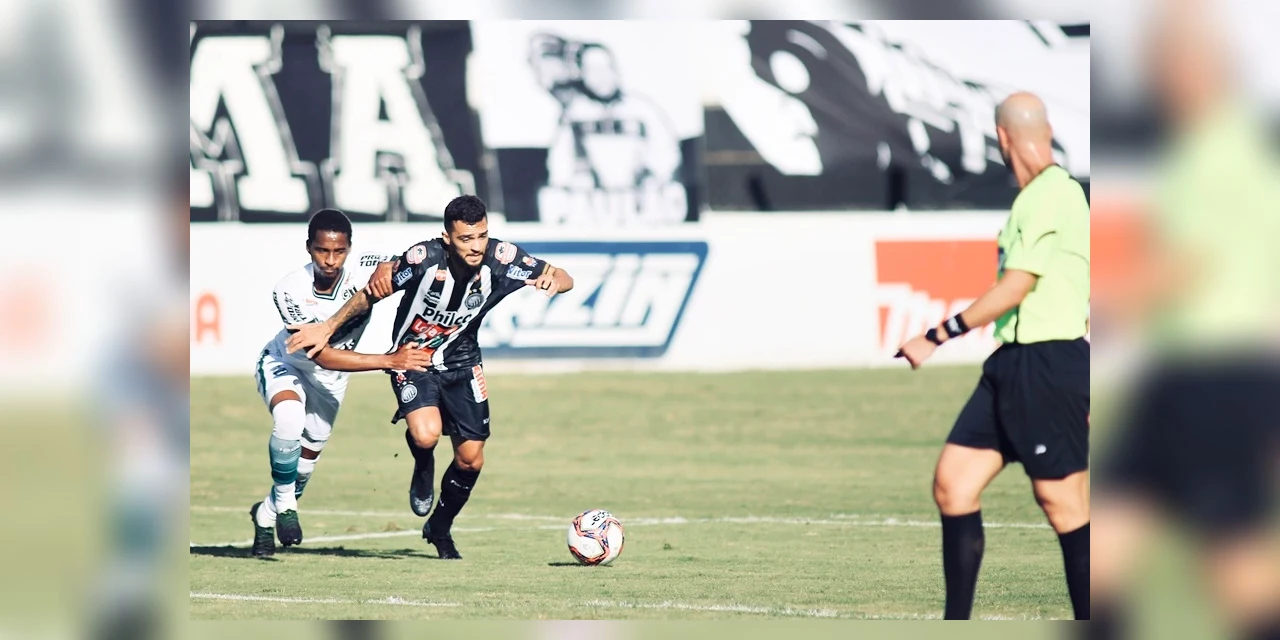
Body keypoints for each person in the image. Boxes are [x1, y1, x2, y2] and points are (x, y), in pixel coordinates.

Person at [285, 195, 574, 559]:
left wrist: (554, 282)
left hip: (463, 361)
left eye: (481, 236)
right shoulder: (423, 259)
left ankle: (440, 527)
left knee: (472, 460)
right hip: (412, 357)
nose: (475, 246)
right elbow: (371, 293)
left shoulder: (503, 259)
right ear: (447, 237)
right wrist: (326, 328)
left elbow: (563, 276)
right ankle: (424, 466)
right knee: (426, 435)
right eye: (466, 239)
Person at [896, 92, 1091, 620]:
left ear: (1002, 138)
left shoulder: (1052, 194)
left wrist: (935, 335)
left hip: (1047, 363)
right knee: (953, 483)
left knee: (1065, 506)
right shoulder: (1035, 199)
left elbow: (1014, 288)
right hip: (1011, 364)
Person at [249, 209, 433, 557]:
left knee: (302, 469)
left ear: (349, 249)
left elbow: (414, 262)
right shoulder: (289, 289)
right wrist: (389, 360)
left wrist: (393, 265)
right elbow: (322, 355)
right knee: (289, 415)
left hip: (332, 382)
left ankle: (265, 514)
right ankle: (286, 507)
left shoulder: (364, 265)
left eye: (339, 251)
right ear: (308, 248)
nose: (330, 260)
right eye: (322, 251)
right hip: (286, 364)